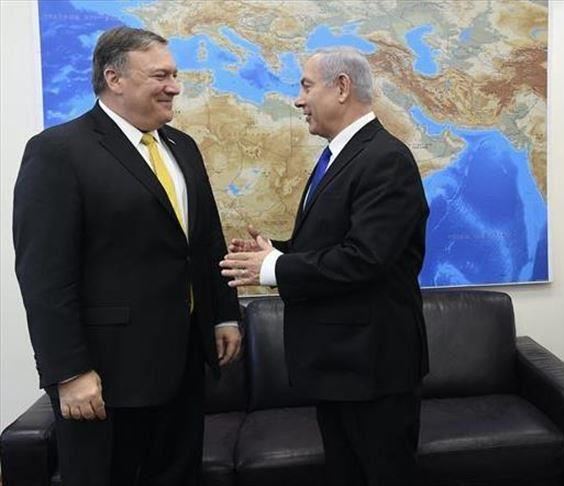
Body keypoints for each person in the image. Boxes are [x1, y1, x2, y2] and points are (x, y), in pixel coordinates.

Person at [12, 26, 241, 486]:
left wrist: (223, 315)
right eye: (161, 76)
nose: (174, 87)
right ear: (114, 78)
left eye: (174, 75)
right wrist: (69, 372)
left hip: (183, 365)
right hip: (107, 376)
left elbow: (204, 242)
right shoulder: (58, 151)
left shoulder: (182, 146)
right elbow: (44, 276)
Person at [220, 47, 429, 485]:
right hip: (340, 366)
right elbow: (331, 244)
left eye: (306, 86)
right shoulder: (339, 155)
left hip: (372, 370)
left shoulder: (385, 159)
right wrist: (275, 253)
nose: (298, 100)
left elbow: (365, 257)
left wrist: (275, 269)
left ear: (342, 88)